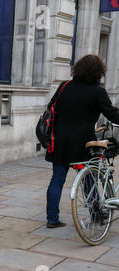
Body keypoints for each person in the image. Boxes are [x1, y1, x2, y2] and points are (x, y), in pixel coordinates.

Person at [45, 54, 119, 228]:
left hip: (60, 141)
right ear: (98, 72)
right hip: (84, 144)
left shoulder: (64, 86)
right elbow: (111, 113)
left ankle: (52, 219)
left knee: (57, 179)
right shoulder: (97, 91)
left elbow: (51, 107)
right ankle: (95, 215)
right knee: (89, 180)